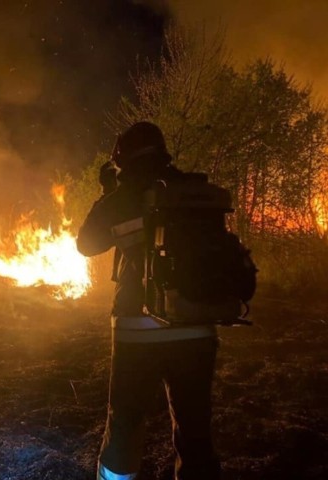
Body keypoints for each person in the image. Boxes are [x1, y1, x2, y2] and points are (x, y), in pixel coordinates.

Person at [77, 122, 221, 480]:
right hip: (197, 327)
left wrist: (106, 191)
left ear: (121, 160)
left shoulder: (122, 198)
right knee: (195, 431)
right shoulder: (193, 191)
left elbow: (86, 244)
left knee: (125, 425)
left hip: (137, 331)